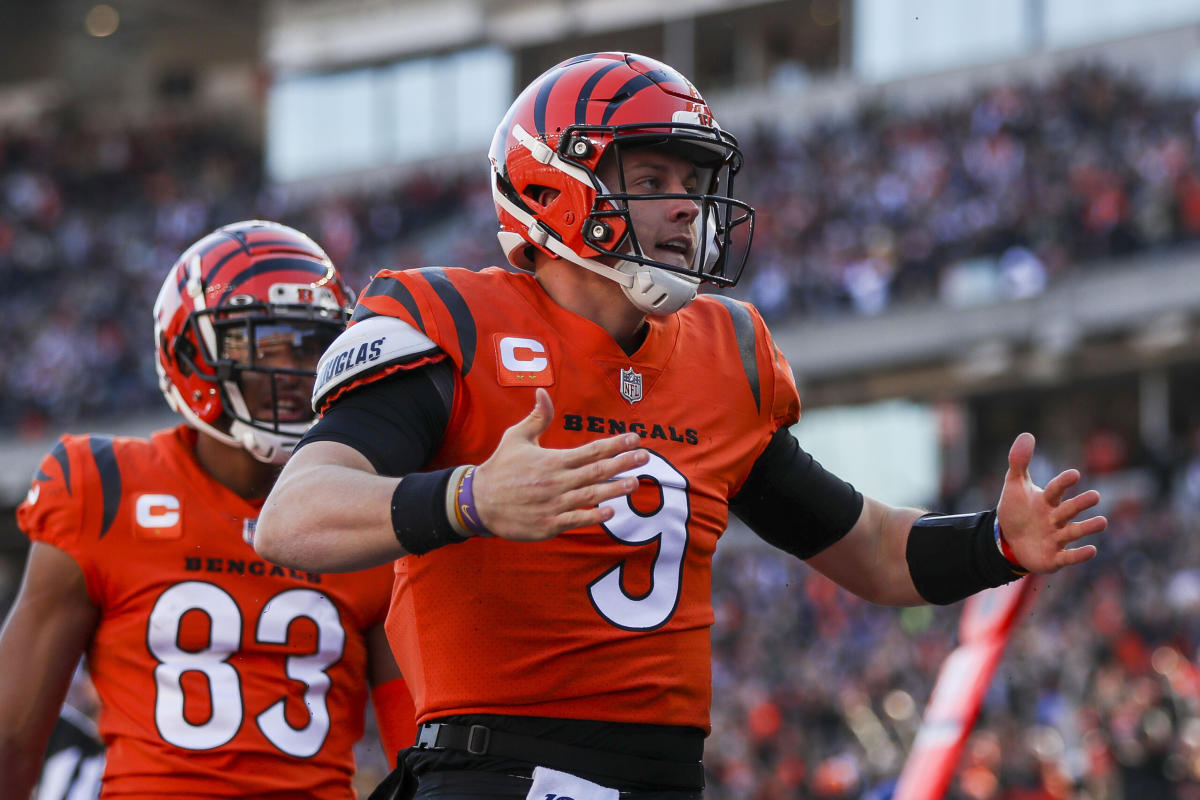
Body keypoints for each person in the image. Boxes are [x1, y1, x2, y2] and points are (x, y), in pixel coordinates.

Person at [254, 52, 1107, 799]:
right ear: (557, 183)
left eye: (694, 188)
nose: (684, 210)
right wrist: (469, 498)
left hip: (662, 780)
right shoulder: (453, 320)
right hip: (497, 771)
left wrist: (996, 543)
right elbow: (293, 517)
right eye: (652, 181)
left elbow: (873, 551)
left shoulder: (722, 355)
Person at [0, 220, 417, 799]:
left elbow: (417, 747)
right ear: (191, 354)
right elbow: (13, 737)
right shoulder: (103, 488)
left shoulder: (365, 505)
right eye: (264, 342)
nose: (294, 370)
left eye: (311, 345)